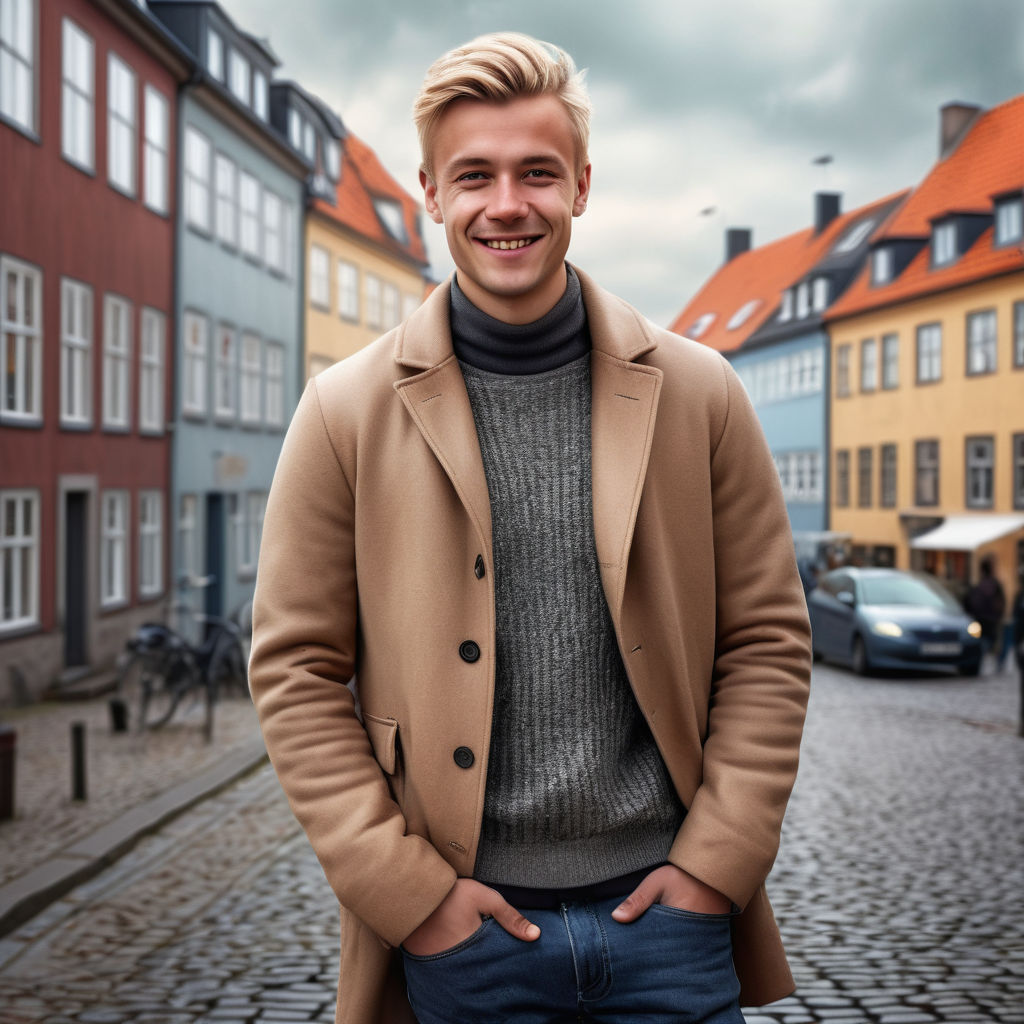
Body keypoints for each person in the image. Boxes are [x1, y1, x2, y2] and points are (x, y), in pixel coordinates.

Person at [249, 32, 811, 1024]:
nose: (506, 204)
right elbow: (295, 670)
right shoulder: (343, 412)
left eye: (537, 173)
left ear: (581, 186)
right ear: (431, 193)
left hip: (672, 932)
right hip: (462, 943)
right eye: (474, 176)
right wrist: (410, 897)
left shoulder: (702, 394)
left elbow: (767, 640)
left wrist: (714, 868)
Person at [965, 556, 1006, 670]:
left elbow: (969, 602)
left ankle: (979, 662)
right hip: (992, 619)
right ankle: (997, 664)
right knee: (994, 643)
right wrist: (999, 616)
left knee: (982, 642)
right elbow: (1001, 602)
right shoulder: (995, 584)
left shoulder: (979, 584)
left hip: (980, 618)